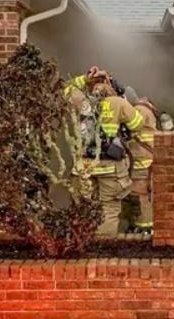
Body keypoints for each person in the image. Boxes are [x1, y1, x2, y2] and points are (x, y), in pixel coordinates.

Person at [68, 71, 144, 236]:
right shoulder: (117, 102)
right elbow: (138, 124)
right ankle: (103, 246)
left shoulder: (82, 102)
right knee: (109, 208)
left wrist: (84, 79)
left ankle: (83, 242)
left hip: (84, 167)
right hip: (110, 167)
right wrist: (120, 97)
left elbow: (65, 89)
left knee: (84, 207)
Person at [122, 86, 158, 233]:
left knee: (142, 194)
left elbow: (131, 128)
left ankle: (146, 227)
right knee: (137, 194)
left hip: (143, 161)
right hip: (141, 160)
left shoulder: (139, 111)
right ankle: (138, 224)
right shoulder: (142, 108)